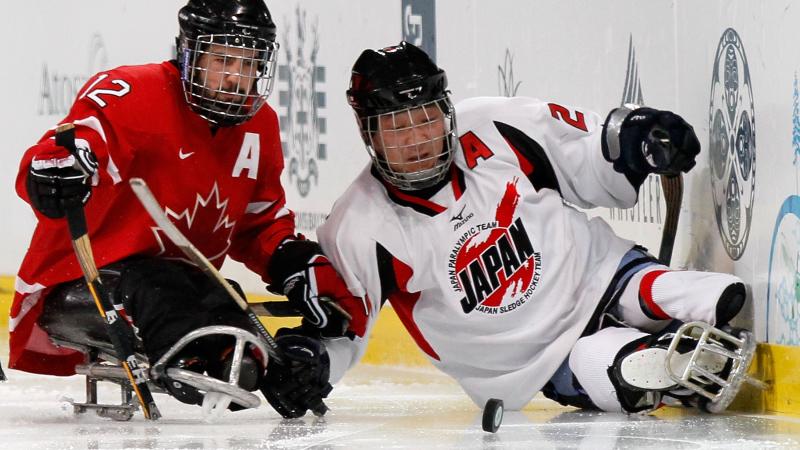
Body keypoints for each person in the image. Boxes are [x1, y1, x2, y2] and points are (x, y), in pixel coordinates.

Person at [306, 41, 754, 414]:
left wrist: (641, 141)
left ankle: (669, 321)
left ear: (446, 109)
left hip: (601, 274)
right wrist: (309, 364)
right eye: (396, 127)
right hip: (536, 360)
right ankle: (667, 365)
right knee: (620, 370)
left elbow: (591, 156)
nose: (417, 139)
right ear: (368, 133)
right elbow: (341, 328)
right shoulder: (358, 226)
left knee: (714, 294)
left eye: (425, 118)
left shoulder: (491, 125)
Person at [13, 0, 363, 418]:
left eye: (249, 63)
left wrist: (293, 263)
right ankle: (194, 355)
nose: (236, 77)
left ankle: (261, 369)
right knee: (161, 288)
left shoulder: (260, 125)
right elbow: (76, 143)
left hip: (182, 285)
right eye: (223, 60)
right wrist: (55, 168)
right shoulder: (132, 91)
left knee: (232, 320)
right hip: (80, 282)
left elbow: (258, 223)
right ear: (189, 55)